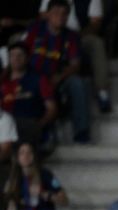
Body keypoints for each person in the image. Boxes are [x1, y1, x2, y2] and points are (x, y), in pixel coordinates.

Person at [25, 0, 90, 143]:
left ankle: (81, 132)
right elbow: (23, 54)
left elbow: (75, 65)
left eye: (64, 14)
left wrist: (59, 77)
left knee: (78, 83)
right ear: (47, 14)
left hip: (57, 79)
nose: (60, 17)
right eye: (56, 13)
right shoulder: (35, 30)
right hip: (33, 77)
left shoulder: (71, 36)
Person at [1, 42, 58, 150]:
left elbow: (52, 108)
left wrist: (39, 125)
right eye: (12, 55)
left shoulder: (39, 80)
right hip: (6, 126)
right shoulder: (3, 82)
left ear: (27, 58)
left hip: (29, 124)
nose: (16, 58)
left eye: (20, 55)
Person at [4, 139, 66, 210]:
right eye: (22, 153)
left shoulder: (45, 174)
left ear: (33, 156)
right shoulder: (15, 178)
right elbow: (12, 207)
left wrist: (44, 194)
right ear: (17, 157)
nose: (26, 156)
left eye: (29, 152)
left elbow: (64, 200)